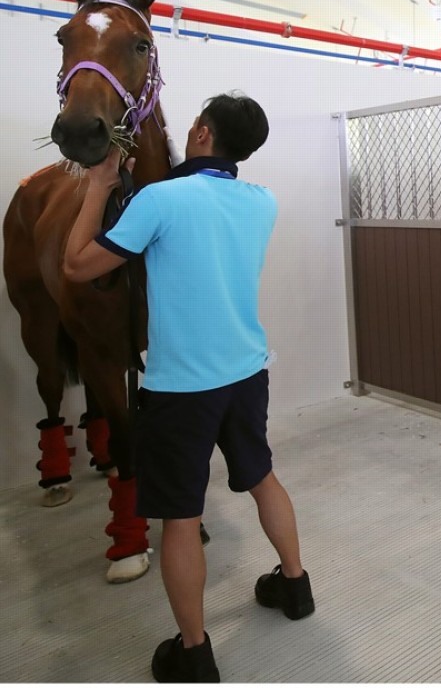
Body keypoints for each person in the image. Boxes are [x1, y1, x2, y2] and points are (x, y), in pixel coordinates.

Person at [63, 92, 313, 682]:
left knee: (179, 518)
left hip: (180, 389)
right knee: (261, 476)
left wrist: (100, 186)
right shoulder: (261, 201)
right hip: (247, 372)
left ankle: (194, 653)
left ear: (200, 132)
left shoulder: (159, 200)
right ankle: (295, 588)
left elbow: (76, 267)